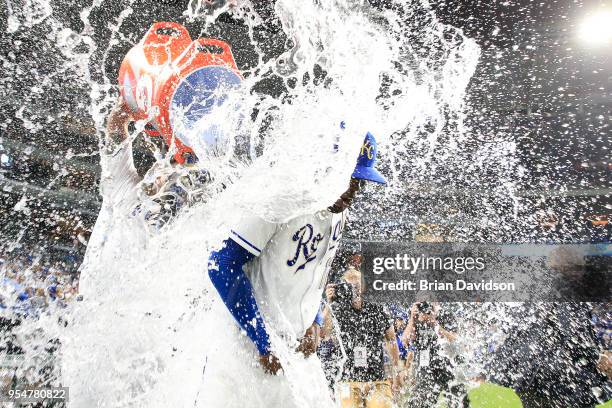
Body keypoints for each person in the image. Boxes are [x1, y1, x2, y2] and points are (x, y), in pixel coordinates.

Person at [203, 132, 387, 407]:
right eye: (350, 178)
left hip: (296, 356)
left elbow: (316, 275)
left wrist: (315, 322)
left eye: (360, 181)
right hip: (248, 355)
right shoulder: (281, 197)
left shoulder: (340, 212)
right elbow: (221, 264)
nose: (354, 190)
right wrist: (263, 342)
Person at [325, 267, 400, 408]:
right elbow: (324, 334)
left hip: (376, 378)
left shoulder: (377, 307)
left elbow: (391, 339)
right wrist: (329, 304)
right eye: (350, 287)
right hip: (348, 379)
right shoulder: (337, 308)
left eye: (357, 286)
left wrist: (396, 372)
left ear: (365, 287)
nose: (354, 291)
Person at [402, 302, 467, 408]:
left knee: (458, 400)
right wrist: (412, 319)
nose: (425, 308)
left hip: (447, 362)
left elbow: (454, 339)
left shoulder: (446, 314)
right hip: (424, 364)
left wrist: (435, 324)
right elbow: (405, 341)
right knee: (422, 400)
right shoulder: (415, 317)